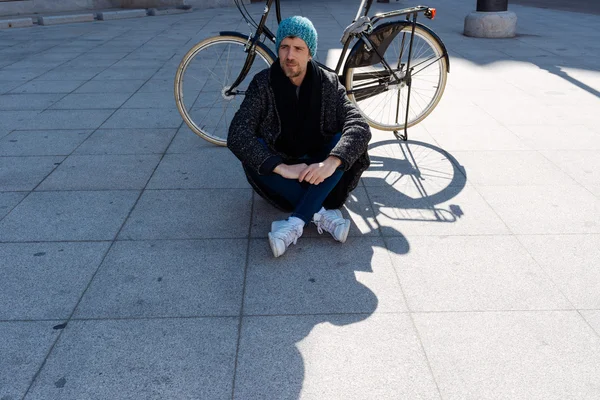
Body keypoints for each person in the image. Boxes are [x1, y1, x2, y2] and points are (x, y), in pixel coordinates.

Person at [228, 16, 371, 257]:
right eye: (284, 47)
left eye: (298, 48)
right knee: (253, 153)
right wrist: (281, 168)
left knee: (345, 143)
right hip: (283, 178)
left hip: (324, 175)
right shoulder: (263, 84)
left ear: (310, 53)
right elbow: (237, 133)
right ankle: (321, 214)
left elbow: (359, 125)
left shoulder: (328, 83)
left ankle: (295, 223)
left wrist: (331, 162)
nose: (290, 56)